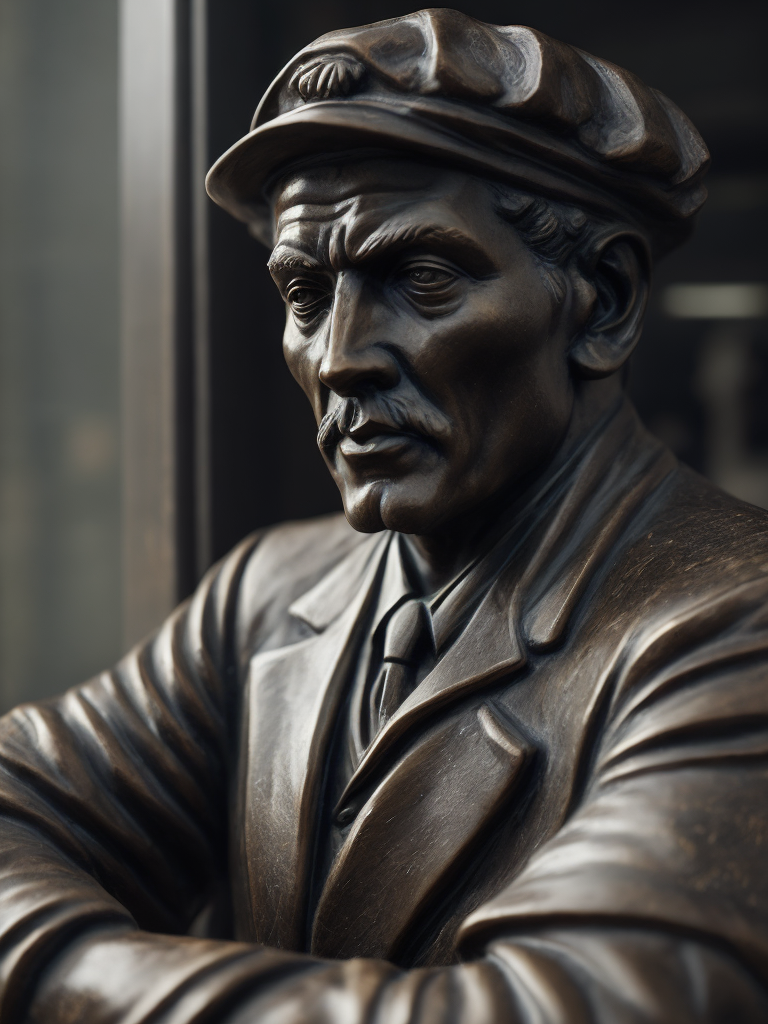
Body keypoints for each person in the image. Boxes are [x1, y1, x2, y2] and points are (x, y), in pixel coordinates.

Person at [3, 10, 768, 1023]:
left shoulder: (736, 624)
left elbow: (586, 1003)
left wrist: (56, 974)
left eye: (422, 279)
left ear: (604, 299)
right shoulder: (269, 593)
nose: (339, 358)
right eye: (306, 293)